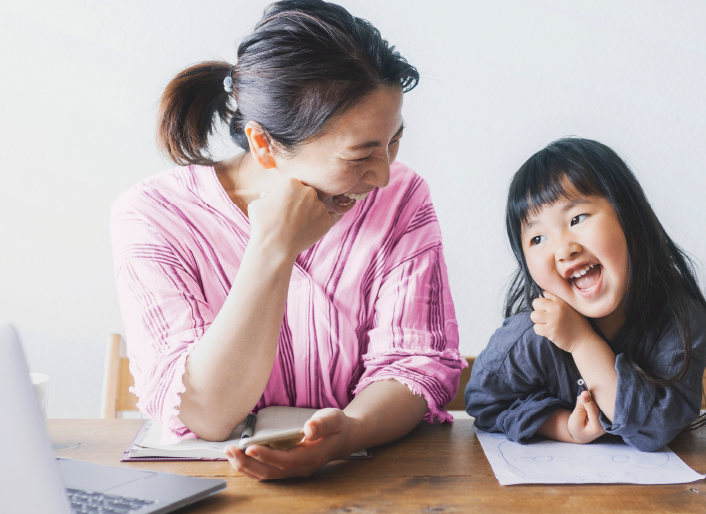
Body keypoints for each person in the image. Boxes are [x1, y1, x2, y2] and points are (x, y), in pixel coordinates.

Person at [110, 0, 463, 479]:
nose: (382, 174)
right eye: (359, 154)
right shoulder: (153, 215)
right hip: (205, 494)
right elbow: (207, 414)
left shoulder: (401, 197)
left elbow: (415, 363)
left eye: (393, 141)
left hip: (370, 484)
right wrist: (272, 248)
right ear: (263, 143)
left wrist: (350, 432)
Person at [464, 138, 706, 452]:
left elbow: (656, 428)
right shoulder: (531, 336)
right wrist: (561, 425)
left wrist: (582, 342)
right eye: (538, 237)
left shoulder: (677, 319)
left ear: (629, 216)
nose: (564, 249)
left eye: (577, 219)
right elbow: (484, 404)